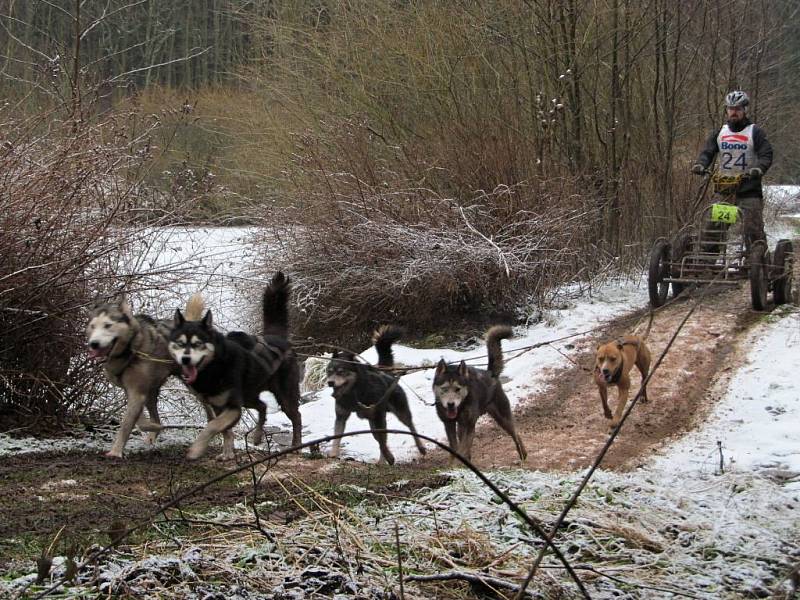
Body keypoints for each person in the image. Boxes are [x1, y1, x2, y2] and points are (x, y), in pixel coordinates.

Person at [691, 90, 773, 253]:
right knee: (712, 230)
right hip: (725, 190)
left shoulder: (754, 132)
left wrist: (759, 168)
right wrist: (701, 164)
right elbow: (708, 152)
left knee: (753, 231)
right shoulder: (720, 133)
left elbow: (766, 154)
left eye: (738, 108)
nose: (734, 111)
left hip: (749, 190)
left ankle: (758, 265)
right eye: (731, 108)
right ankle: (707, 266)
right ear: (726, 110)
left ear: (745, 110)